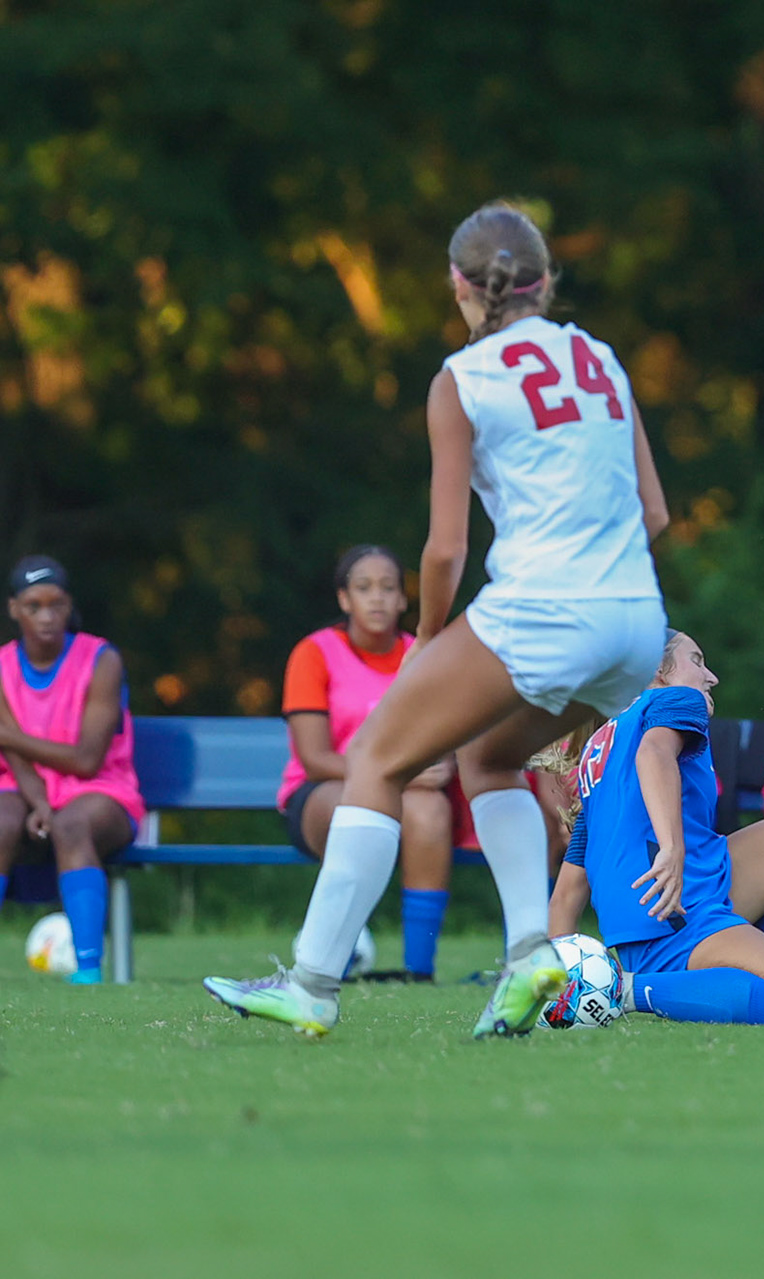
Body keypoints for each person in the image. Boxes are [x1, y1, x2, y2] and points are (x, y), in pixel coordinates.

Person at [205, 200, 670, 1037]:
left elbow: (446, 550)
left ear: (458, 285)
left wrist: (425, 644)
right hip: (637, 621)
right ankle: (533, 951)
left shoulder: (464, 378)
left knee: (378, 756)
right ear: (546, 280)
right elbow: (659, 516)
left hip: (543, 605)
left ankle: (311, 983)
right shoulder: (601, 359)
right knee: (489, 758)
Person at [547, 631, 764, 1026]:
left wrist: (549, 979)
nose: (711, 676)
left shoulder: (598, 751)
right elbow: (654, 753)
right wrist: (672, 849)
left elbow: (567, 893)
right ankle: (630, 989)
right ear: (656, 670)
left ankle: (730, 976)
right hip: (676, 915)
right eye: (697, 660)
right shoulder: (677, 699)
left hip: (679, 901)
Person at [279, 544, 456, 981]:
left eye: (387, 588)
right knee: (352, 803)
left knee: (432, 810)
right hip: (322, 792)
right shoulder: (314, 652)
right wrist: (397, 772)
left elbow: (447, 735)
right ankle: (337, 941)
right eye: (363, 588)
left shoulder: (425, 654)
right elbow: (315, 758)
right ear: (344, 599)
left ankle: (419, 970)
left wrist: (443, 763)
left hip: (406, 792)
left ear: (402, 599)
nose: (376, 598)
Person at [0, 555, 144, 984]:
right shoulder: (3, 666)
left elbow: (85, 760)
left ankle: (87, 970)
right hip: (21, 785)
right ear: (14, 609)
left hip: (102, 789)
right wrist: (40, 801)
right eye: (33, 606)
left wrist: (8, 737)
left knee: (70, 826)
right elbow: (14, 759)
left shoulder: (101, 660)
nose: (47, 617)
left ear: (69, 605)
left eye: (56, 605)